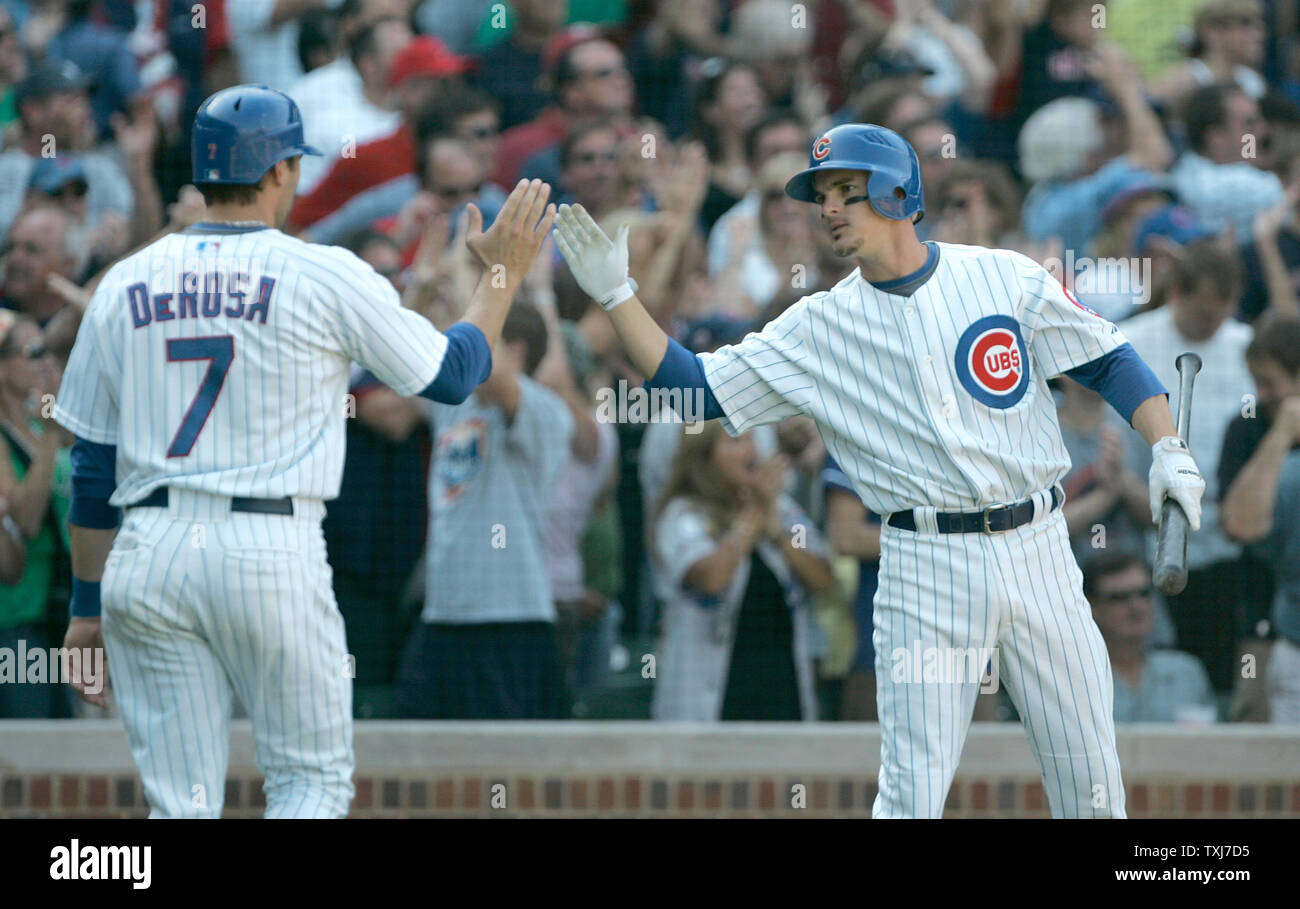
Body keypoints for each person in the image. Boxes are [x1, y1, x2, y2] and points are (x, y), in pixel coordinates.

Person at [552, 122, 1206, 818]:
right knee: (911, 795)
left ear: (900, 193)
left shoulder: (1000, 274)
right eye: (823, 195)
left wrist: (1166, 445)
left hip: (1039, 542)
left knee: (1093, 783)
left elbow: (1108, 358)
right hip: (925, 561)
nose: (829, 208)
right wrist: (618, 297)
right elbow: (696, 387)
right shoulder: (816, 326)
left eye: (847, 190)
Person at [53, 84, 557, 817]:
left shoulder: (124, 280)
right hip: (268, 542)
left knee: (180, 803)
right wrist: (502, 273)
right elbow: (453, 374)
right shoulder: (322, 271)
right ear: (282, 170)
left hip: (149, 546)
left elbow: (92, 466)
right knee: (309, 783)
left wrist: (87, 603)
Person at [396, 301, 575, 720]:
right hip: (443, 613)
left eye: (481, 339)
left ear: (515, 351)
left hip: (510, 617)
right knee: (422, 755)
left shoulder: (545, 410)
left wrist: (494, 276)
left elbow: (490, 374)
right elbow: (405, 364)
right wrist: (422, 290)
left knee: (500, 766)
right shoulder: (455, 403)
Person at [1117, 240, 1256, 698]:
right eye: (1202, 315)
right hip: (1147, 519)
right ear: (1177, 293)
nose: (1212, 326)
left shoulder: (1244, 347)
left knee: (1218, 670)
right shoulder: (1131, 342)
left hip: (1227, 533)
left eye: (1220, 315)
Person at [650, 421, 832, 722]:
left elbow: (824, 579)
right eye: (735, 442)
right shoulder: (682, 515)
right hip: (711, 705)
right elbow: (712, 578)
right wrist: (755, 514)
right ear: (705, 456)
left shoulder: (784, 511)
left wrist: (778, 535)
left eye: (751, 440)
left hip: (782, 699)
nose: (750, 450)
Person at [1221, 315, 1300, 723]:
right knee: (1257, 738)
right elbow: (1238, 525)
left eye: (1269, 382)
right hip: (1267, 621)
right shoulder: (1248, 427)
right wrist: (1283, 432)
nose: (1260, 394)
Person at [0, 311, 71, 718]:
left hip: (62, 614)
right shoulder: (9, 438)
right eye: (34, 352)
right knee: (33, 746)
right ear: (5, 366)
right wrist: (49, 435)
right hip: (18, 622)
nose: (46, 362)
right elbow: (24, 519)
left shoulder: (39, 423)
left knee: (75, 746)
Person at [1083, 550, 1216, 723]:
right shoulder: (1074, 679)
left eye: (1144, 593)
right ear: (1091, 607)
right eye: (1119, 598)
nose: (1136, 607)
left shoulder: (1186, 672)